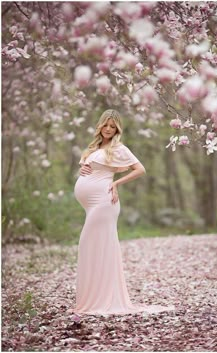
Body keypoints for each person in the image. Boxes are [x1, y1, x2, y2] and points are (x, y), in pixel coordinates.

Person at [72, 109, 175, 319]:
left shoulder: (118, 148)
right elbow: (90, 170)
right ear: (100, 125)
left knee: (91, 244)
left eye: (113, 126)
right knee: (90, 247)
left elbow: (140, 169)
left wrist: (116, 182)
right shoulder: (95, 147)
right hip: (91, 204)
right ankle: (90, 299)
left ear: (117, 129)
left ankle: (102, 300)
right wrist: (81, 171)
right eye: (106, 125)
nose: (109, 129)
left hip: (104, 201)